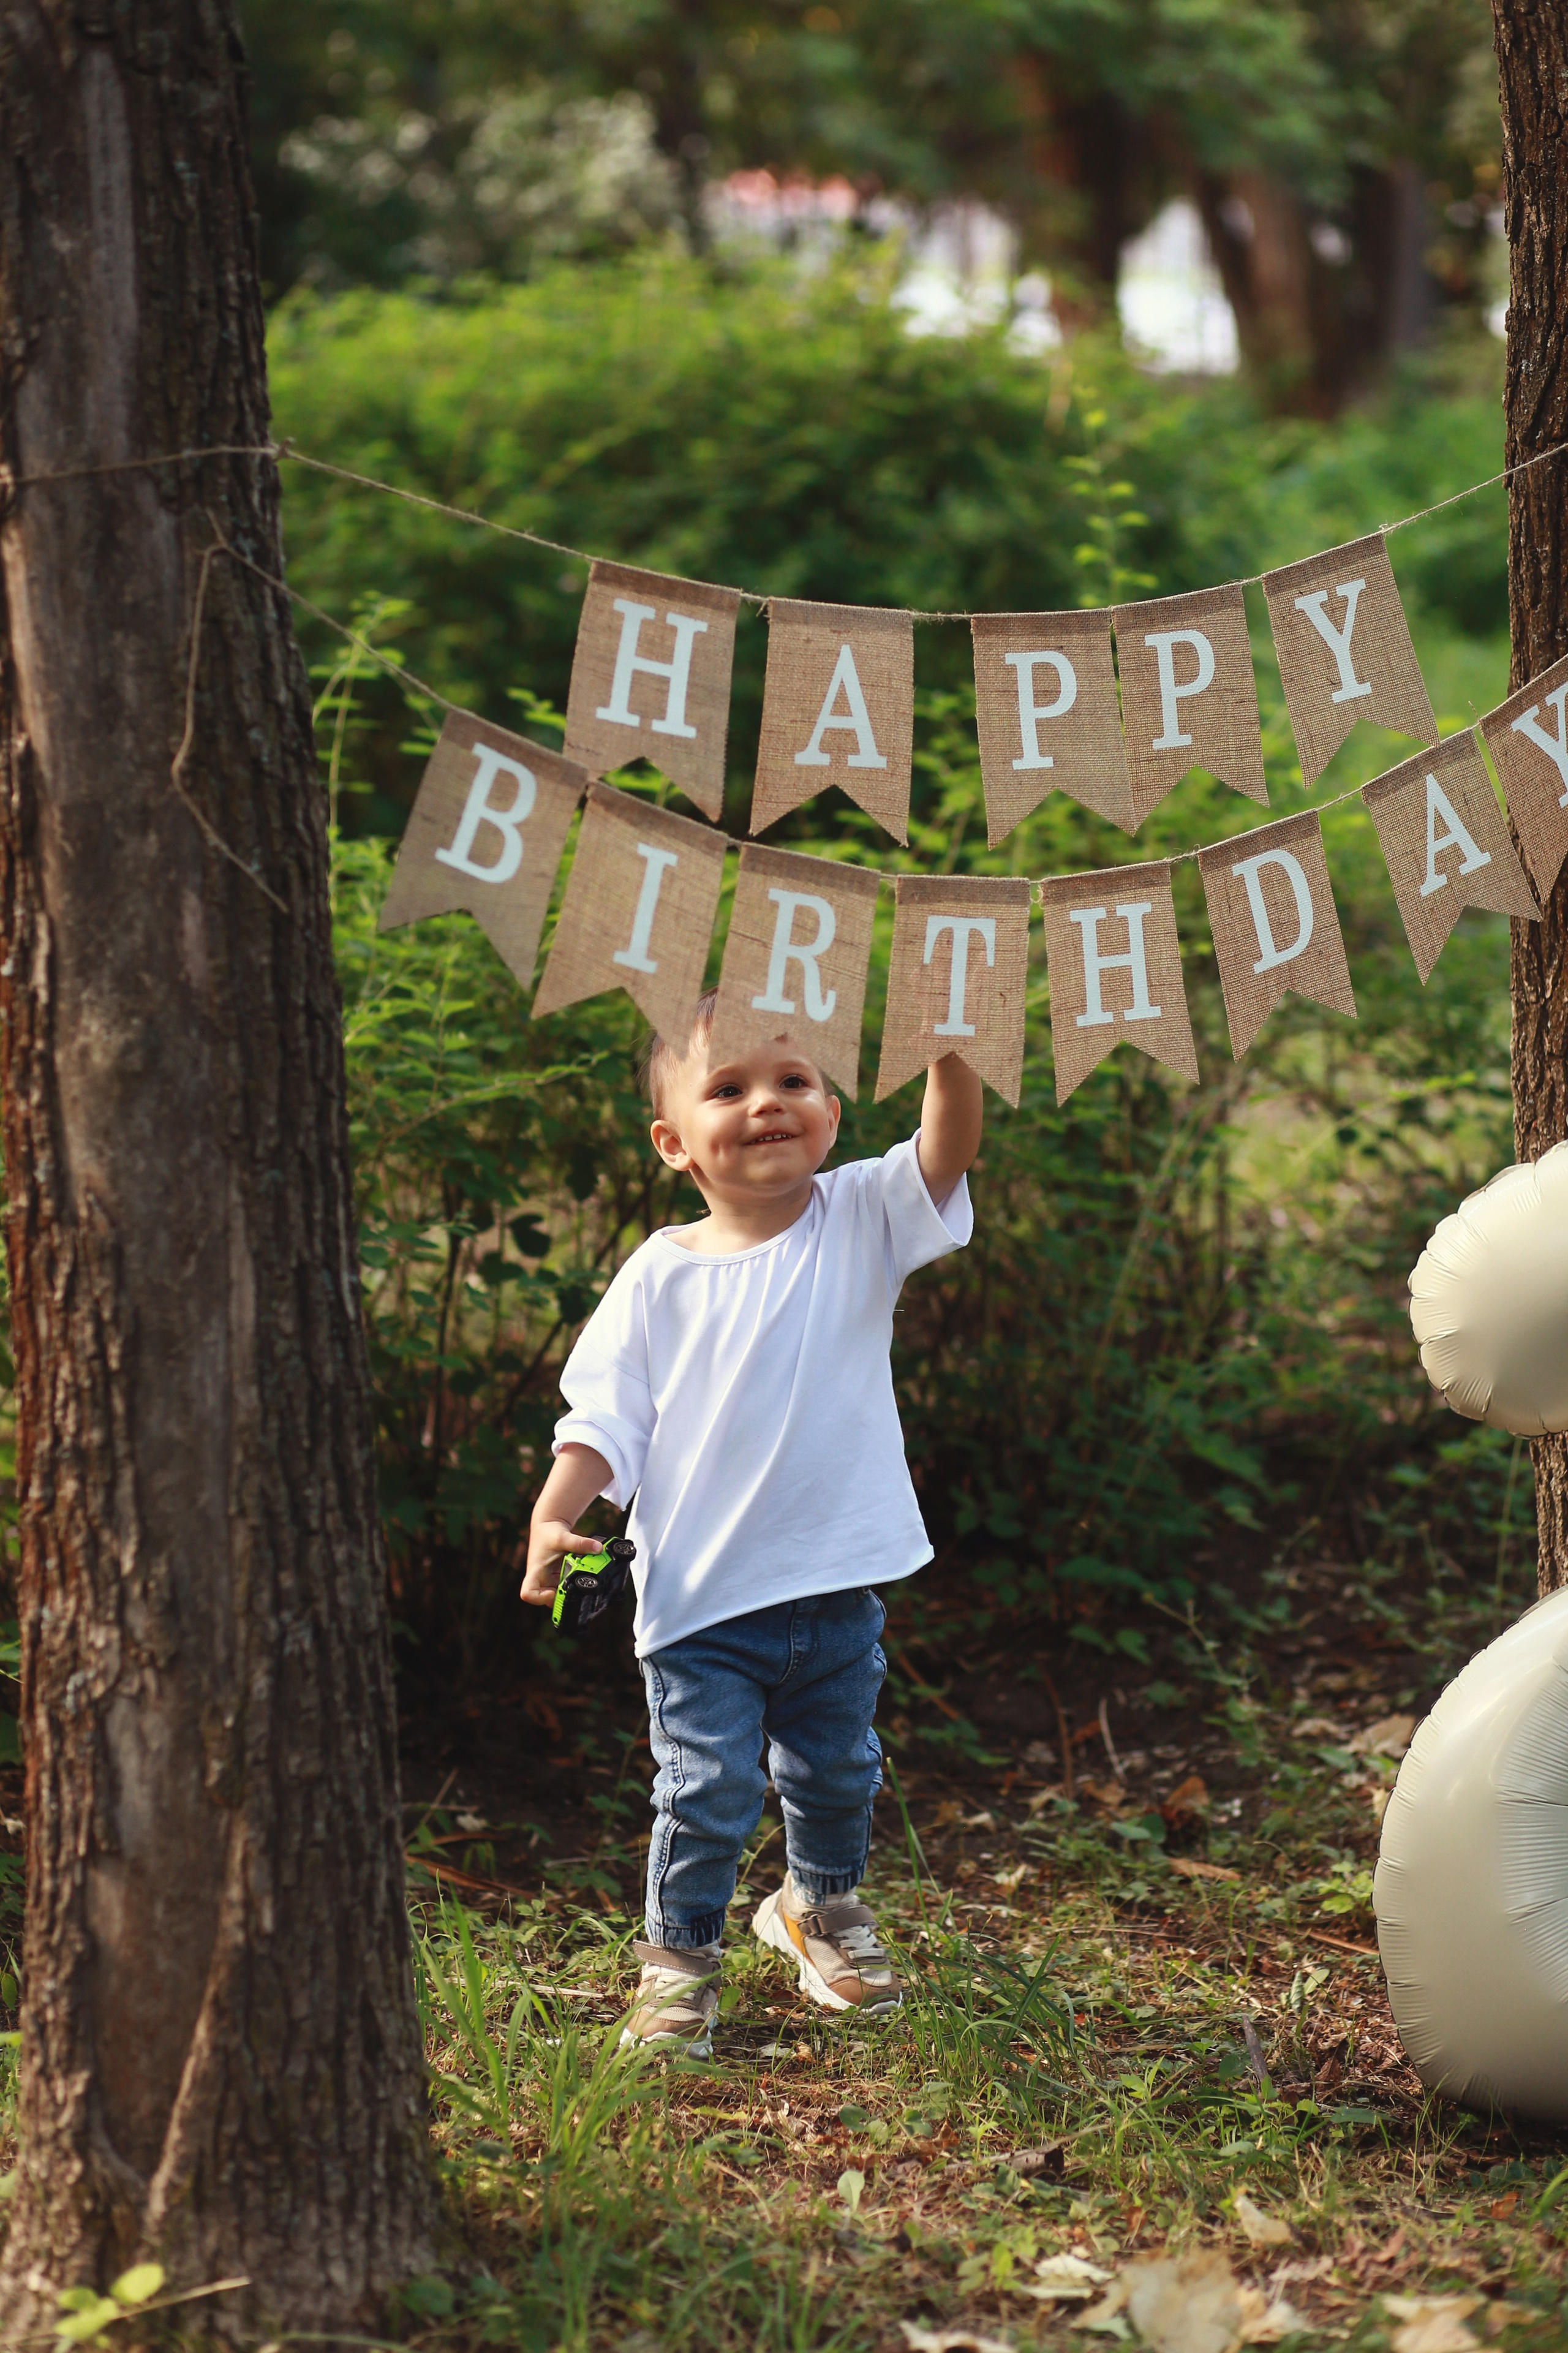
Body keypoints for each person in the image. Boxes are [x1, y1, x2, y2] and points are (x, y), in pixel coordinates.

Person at [520, 989, 981, 2054]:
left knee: (837, 1767)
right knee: (708, 1786)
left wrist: (947, 1046)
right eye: (728, 1087)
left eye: (793, 1080)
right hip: (701, 1597)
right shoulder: (657, 1277)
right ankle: (677, 1964)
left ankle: (816, 1907)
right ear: (675, 1141)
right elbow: (606, 1419)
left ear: (829, 1105)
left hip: (834, 1580)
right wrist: (556, 1513)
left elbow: (945, 1148)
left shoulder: (860, 1216)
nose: (767, 1103)